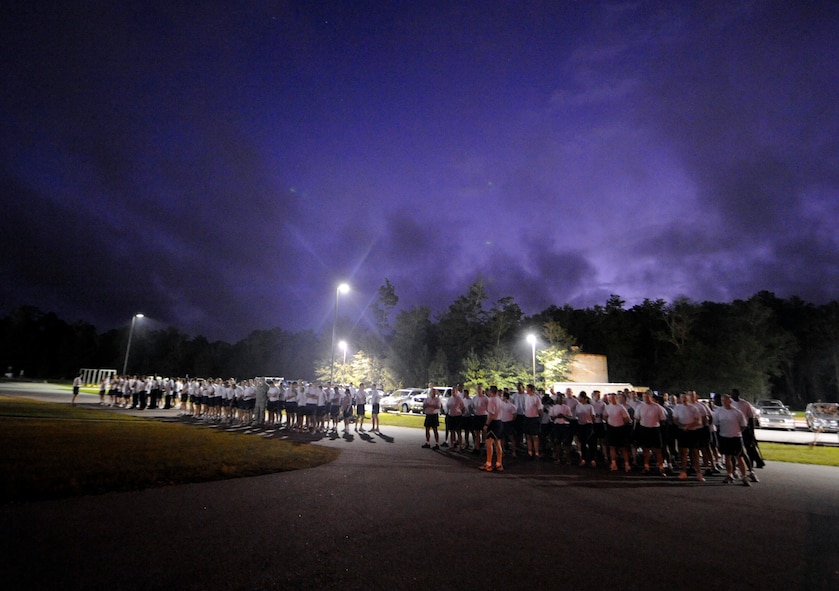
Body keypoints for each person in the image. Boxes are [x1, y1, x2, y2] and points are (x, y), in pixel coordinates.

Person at [713, 394, 753, 486]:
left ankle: (744, 477)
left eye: (725, 400)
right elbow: (716, 423)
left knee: (739, 457)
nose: (723, 402)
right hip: (724, 437)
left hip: (736, 437)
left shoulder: (737, 412)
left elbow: (743, 425)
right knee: (727, 457)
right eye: (722, 401)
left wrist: (736, 432)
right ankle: (729, 475)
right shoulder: (718, 412)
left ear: (730, 401)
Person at [672, 393, 705, 482]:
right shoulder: (677, 407)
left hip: (692, 432)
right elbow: (675, 419)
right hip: (682, 432)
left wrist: (689, 426)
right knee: (683, 452)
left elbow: (699, 421)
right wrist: (682, 426)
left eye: (686, 398)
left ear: (689, 398)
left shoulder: (694, 408)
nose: (684, 399)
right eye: (682, 398)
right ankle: (683, 472)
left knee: (694, 452)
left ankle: (699, 473)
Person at [635, 390, 667, 474]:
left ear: (651, 397)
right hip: (644, 429)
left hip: (655, 429)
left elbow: (663, 419)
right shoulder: (640, 407)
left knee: (658, 450)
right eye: (644, 397)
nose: (645, 398)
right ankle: (646, 467)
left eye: (647, 397)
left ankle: (660, 467)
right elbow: (637, 418)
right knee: (646, 450)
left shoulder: (657, 407)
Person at [604, 392, 633, 472]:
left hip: (620, 429)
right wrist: (609, 420)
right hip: (611, 428)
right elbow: (604, 416)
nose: (611, 399)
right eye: (610, 398)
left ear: (616, 398)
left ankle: (627, 464)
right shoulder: (607, 407)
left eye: (613, 397)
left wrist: (621, 423)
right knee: (612, 447)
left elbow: (627, 418)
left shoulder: (621, 407)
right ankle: (613, 464)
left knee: (623, 447)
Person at [479, 386, 504, 472]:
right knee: (498, 443)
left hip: (493, 423)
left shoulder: (492, 400)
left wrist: (486, 424)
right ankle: (499, 463)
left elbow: (491, 414)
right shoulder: (499, 400)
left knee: (489, 443)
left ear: (491, 391)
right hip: (499, 422)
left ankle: (488, 463)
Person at [523, 384, 543, 458]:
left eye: (527, 388)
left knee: (535, 436)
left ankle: (536, 452)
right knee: (528, 436)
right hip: (527, 417)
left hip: (534, 418)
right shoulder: (526, 397)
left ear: (530, 389)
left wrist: (539, 417)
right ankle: (529, 451)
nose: (526, 389)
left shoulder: (536, 398)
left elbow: (540, 409)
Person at [422, 384, 442, 449]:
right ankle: (427, 442)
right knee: (427, 429)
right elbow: (424, 406)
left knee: (435, 430)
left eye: (433, 392)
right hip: (428, 415)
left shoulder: (437, 399)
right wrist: (427, 406)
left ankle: (437, 443)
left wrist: (430, 405)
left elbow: (438, 406)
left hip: (434, 415)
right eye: (431, 392)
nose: (432, 393)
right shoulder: (427, 399)